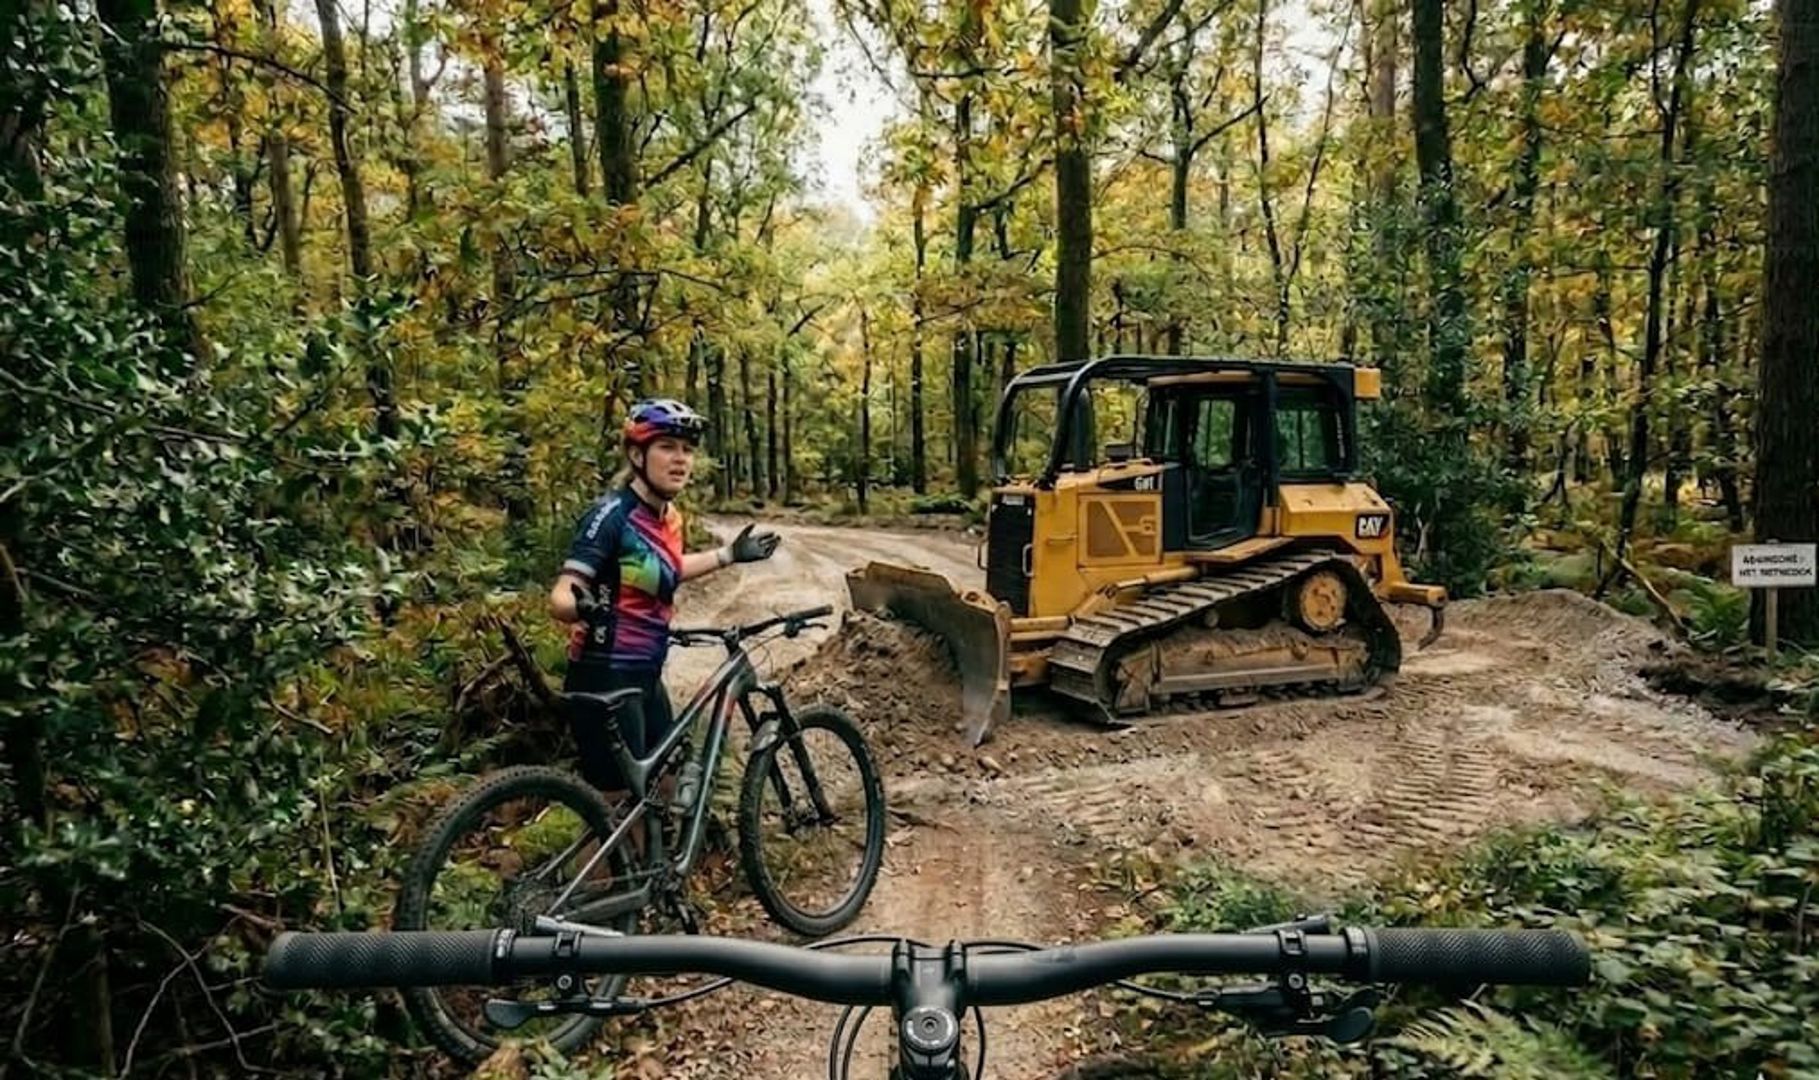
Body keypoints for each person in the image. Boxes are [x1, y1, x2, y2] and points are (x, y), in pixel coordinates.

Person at [548, 398, 780, 797]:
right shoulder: (611, 516)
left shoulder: (669, 518)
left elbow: (666, 570)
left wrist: (729, 556)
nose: (681, 459)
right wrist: (579, 605)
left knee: (663, 784)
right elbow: (562, 594)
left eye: (687, 449)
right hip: (603, 675)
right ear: (637, 454)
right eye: (667, 447)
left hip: (646, 674)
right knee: (617, 807)